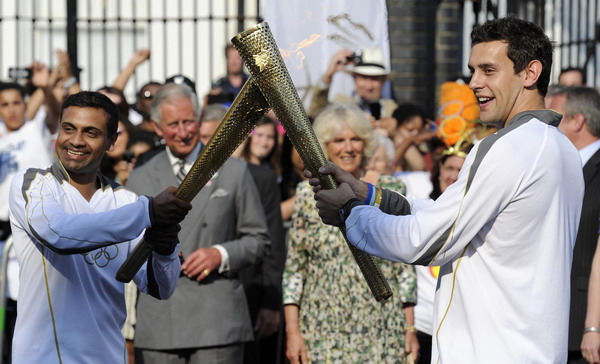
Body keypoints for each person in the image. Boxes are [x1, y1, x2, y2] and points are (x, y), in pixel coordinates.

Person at [308, 16, 584, 363]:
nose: (473, 83)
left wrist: (348, 213)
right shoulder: (562, 149)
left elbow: (424, 242)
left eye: (488, 70)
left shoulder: (508, 147)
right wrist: (370, 196)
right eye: (473, 70)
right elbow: (458, 218)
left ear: (530, 73)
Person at [8, 91, 191, 363]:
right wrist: (148, 212)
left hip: (107, 356)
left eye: (91, 132)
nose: (76, 141)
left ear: (112, 141)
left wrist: (165, 247)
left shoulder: (124, 202)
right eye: (68, 129)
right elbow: (57, 233)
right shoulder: (35, 184)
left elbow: (161, 287)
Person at [128, 83, 270, 364]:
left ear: (200, 117)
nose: (183, 132)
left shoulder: (234, 171)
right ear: (157, 127)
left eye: (189, 121)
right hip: (160, 322)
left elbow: (259, 240)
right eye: (173, 124)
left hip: (216, 320)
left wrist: (220, 254)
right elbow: (126, 246)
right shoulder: (140, 178)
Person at [283, 103, 418, 364]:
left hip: (382, 326)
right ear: (324, 146)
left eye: (355, 139)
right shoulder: (305, 196)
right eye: (339, 140)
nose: (348, 148)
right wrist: (292, 331)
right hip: (322, 329)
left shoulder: (389, 190)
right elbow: (295, 269)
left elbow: (405, 269)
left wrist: (409, 329)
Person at [547, 86, 600, 364]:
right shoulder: (560, 165)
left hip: (583, 323)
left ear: (578, 121)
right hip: (552, 317)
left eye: (558, 119)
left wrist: (594, 325)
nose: (551, 127)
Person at [307, 47, 397, 120]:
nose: (369, 86)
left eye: (375, 79)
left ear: (383, 81)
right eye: (363, 78)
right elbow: (315, 113)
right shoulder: (340, 105)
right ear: (354, 78)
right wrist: (328, 76)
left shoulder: (393, 110)